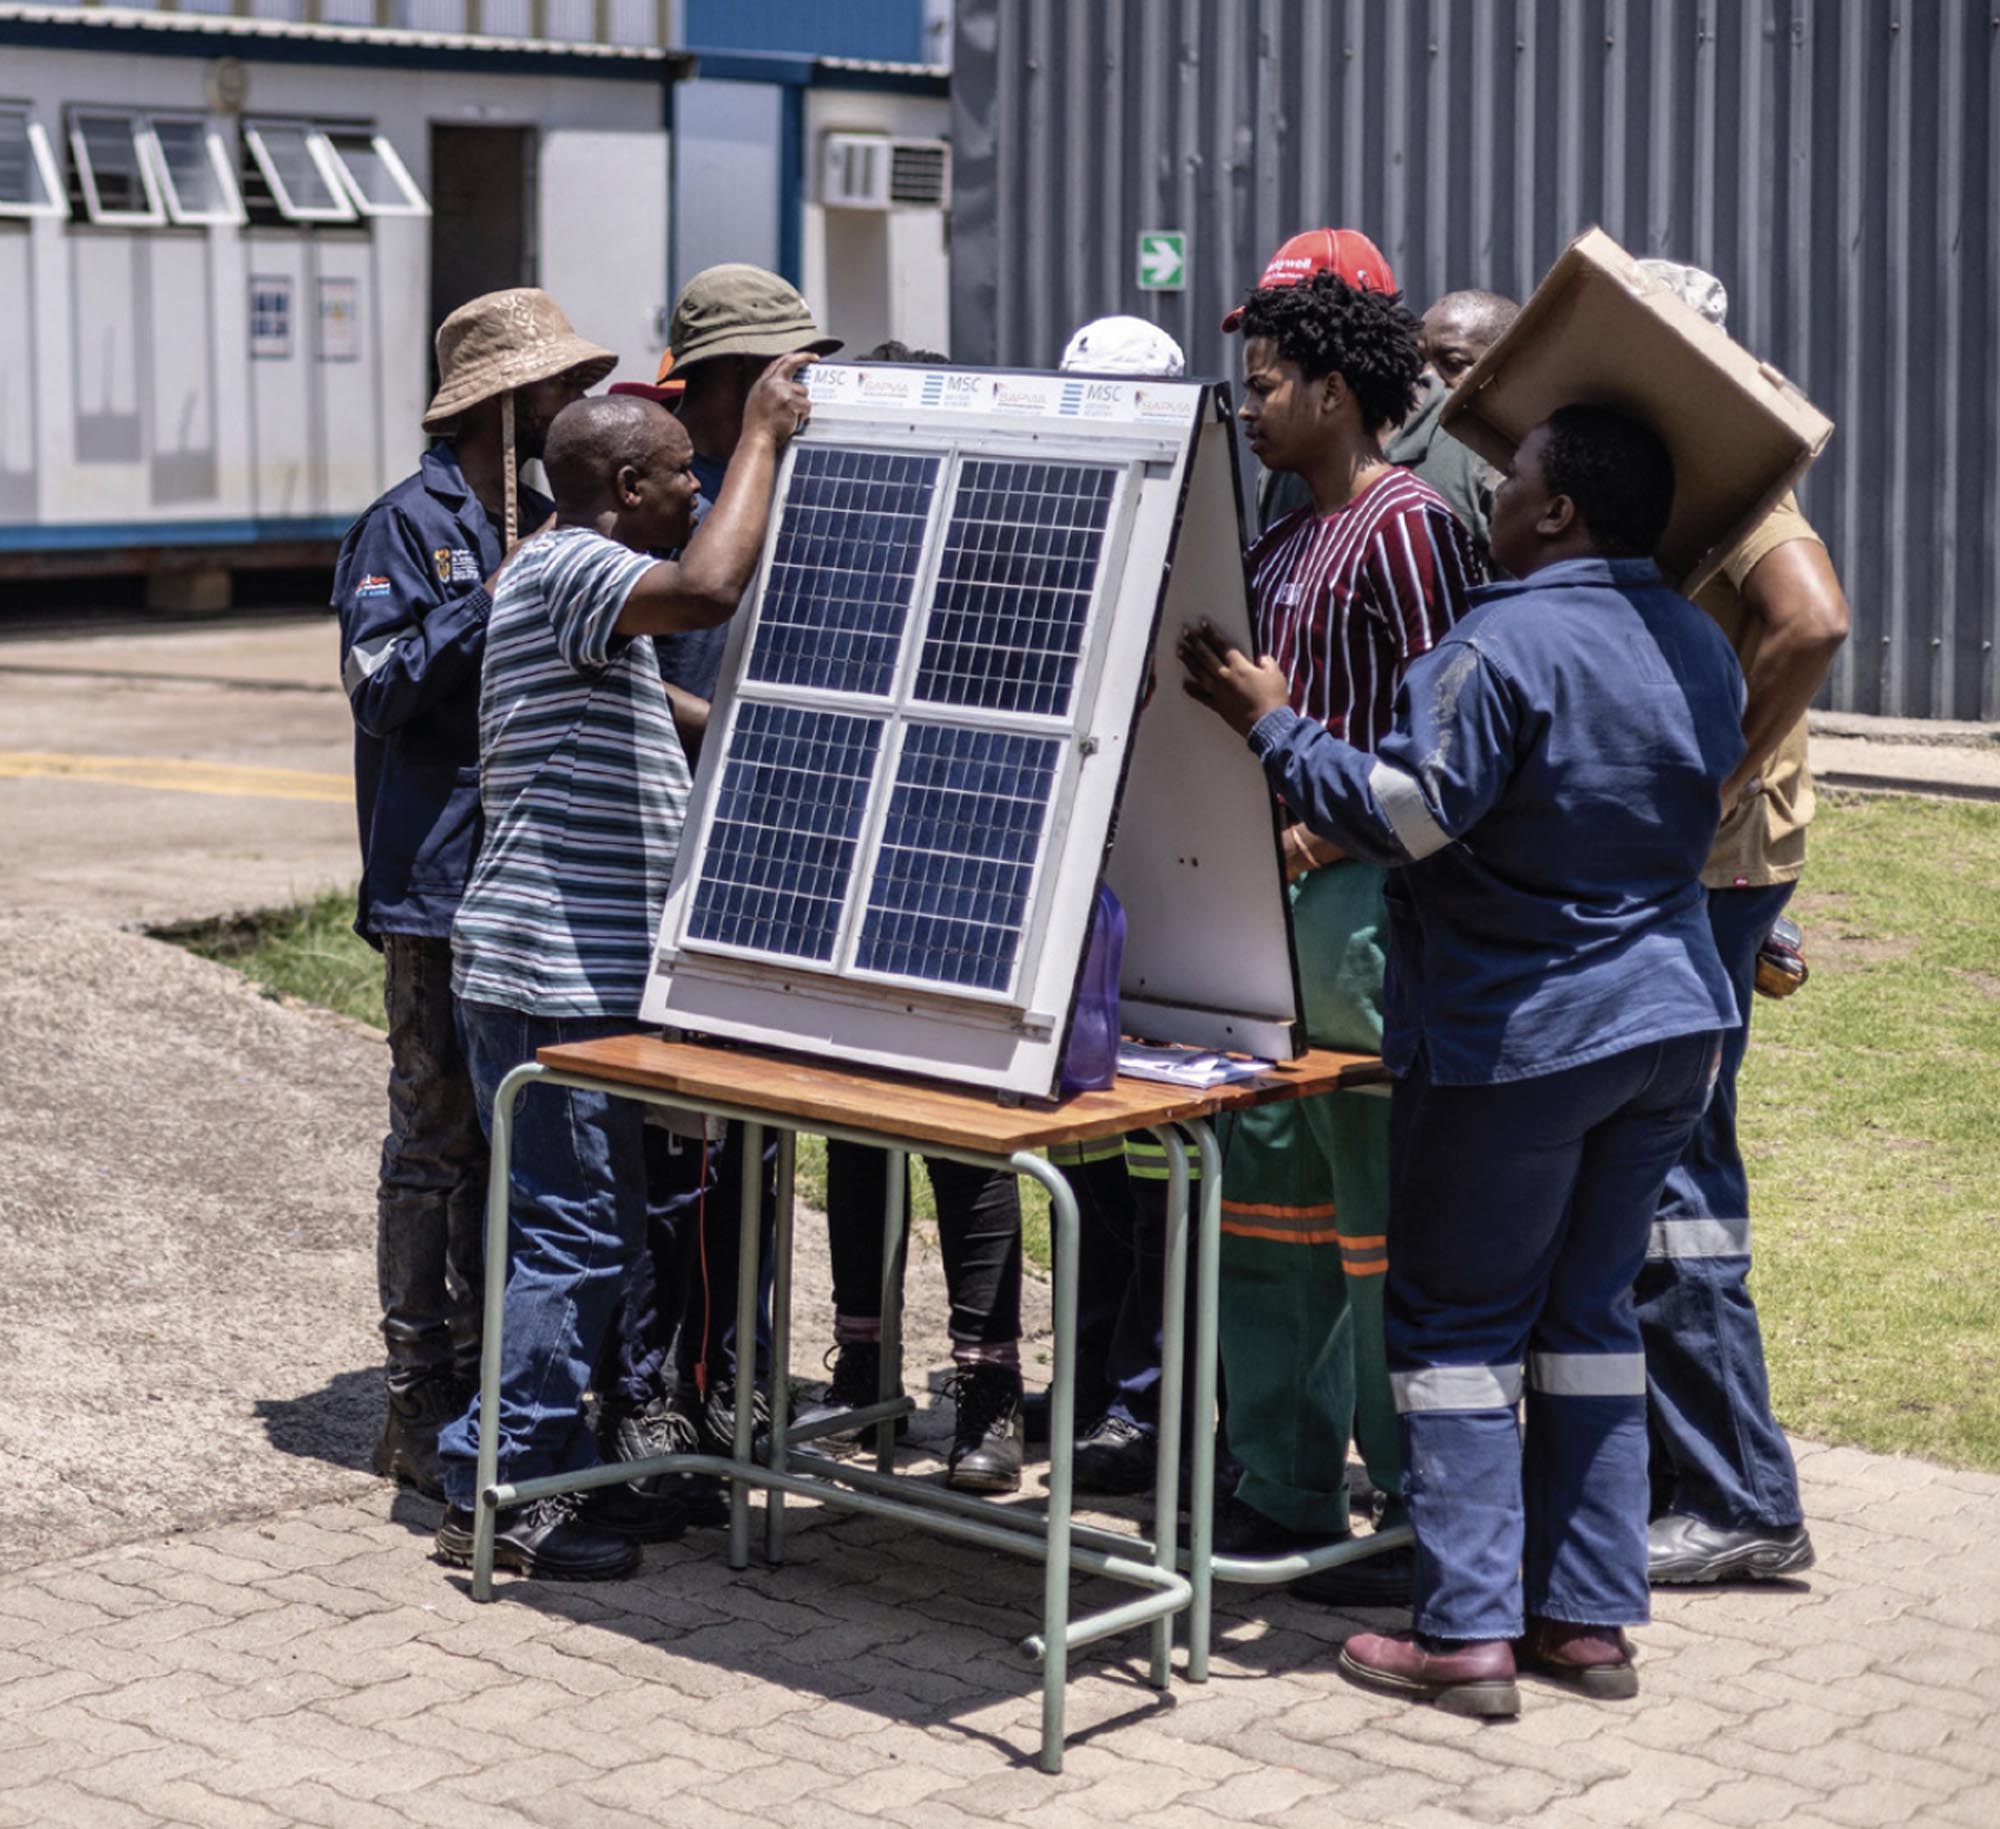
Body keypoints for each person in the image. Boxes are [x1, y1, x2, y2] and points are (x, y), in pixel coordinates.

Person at [1180, 403, 1745, 1715]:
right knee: (1592, 1324)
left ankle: (1466, 1631)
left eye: (1517, 475)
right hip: (1670, 1027)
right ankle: (1586, 1618)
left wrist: (1274, 723)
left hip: (1525, 1036)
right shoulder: (1701, 645)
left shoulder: (1494, 644)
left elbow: (1404, 814)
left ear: (1558, 512)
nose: (1489, 488)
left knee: (1455, 1326)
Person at [433, 364, 814, 1581]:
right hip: (551, 966)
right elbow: (707, 589)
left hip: (573, 966)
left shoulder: (565, 588)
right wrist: (759, 429)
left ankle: (526, 1454)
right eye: (680, 473)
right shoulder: (572, 566)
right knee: (569, 1235)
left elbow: (657, 712)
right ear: (626, 487)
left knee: (591, 1234)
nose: (697, 484)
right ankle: (507, 1481)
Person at [1212, 251, 1480, 1609]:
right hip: (1261, 929)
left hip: (1359, 917)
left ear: (1330, 386)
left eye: (1264, 385)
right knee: (1271, 1213)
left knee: (1377, 1221)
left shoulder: (1410, 525)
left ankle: (1410, 1506)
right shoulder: (1272, 538)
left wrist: (1318, 830)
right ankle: (1280, 1481)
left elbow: (1447, 755)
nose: (1246, 406)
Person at [332, 288, 613, 1500]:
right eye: (556, 392)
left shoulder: (551, 526)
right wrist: (483, 606)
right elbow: (380, 686)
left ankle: (505, 1369)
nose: (572, 410)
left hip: (531, 888)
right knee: (434, 1134)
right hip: (436, 887)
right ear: (509, 403)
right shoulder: (405, 527)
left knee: (519, 1144)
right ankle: (418, 1387)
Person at [592, 267, 842, 1487]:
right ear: (717, 394)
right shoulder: (673, 531)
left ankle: (731, 1380)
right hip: (685, 893)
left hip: (784, 886)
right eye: (778, 371)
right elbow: (647, 682)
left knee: (747, 1162)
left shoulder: (819, 508)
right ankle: (653, 1399)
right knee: (673, 1170)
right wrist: (759, 728)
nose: (803, 391)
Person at [1634, 260, 1851, 1586]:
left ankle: (1739, 1495)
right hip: (1721, 874)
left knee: (1676, 1177)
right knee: (1662, 1163)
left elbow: (1811, 622)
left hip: (1709, 868)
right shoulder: (1692, 470)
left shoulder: (1745, 478)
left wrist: (1719, 777)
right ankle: (1684, 1469)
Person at [1262, 280, 1516, 563]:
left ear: (1508, 365)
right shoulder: (1283, 471)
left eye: (1453, 363)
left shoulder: (1494, 461)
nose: (1428, 377)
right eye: (1418, 361)